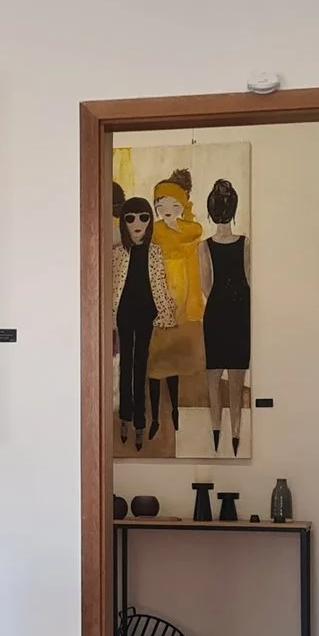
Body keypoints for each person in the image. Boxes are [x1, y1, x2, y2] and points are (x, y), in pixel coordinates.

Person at [110, 194, 178, 448]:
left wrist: (167, 312)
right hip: (124, 313)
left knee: (141, 365)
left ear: (150, 220)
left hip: (147, 314)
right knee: (126, 364)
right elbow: (113, 287)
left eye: (143, 217)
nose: (137, 223)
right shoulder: (117, 253)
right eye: (130, 218)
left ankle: (139, 421)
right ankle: (125, 417)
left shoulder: (156, 252)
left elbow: (160, 284)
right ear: (123, 223)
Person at [144, 171, 209, 439]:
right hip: (159, 303)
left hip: (185, 306)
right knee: (156, 363)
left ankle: (175, 413)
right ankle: (155, 418)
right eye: (161, 205)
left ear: (183, 205)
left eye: (173, 204)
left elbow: (197, 269)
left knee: (176, 363)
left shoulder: (192, 231)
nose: (166, 210)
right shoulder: (154, 233)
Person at [199, 177, 252, 453]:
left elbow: (206, 286)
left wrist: (221, 300)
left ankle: (216, 433)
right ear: (234, 210)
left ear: (210, 212)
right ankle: (236, 435)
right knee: (236, 380)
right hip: (241, 311)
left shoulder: (204, 246)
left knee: (213, 377)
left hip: (217, 311)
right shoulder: (245, 243)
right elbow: (249, 279)